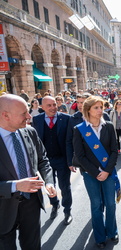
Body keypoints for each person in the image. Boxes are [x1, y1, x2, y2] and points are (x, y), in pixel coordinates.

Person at [0, 94, 56, 249]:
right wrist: (16, 186)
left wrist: (49, 181)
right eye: (24, 113)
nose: (29, 116)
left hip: (31, 203)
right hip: (3, 210)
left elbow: (43, 160)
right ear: (6, 115)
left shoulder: (30, 132)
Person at [73, 96, 120, 248]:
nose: (101, 110)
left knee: (111, 204)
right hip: (90, 174)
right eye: (96, 108)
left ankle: (112, 231)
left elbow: (114, 150)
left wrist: (106, 171)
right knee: (96, 205)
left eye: (101, 107)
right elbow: (80, 156)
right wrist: (95, 172)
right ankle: (100, 237)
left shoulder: (109, 126)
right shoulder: (79, 130)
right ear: (88, 110)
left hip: (107, 172)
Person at [32, 96, 73, 224]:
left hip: (62, 159)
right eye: (49, 105)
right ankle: (55, 205)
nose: (53, 108)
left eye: (54, 104)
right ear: (42, 107)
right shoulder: (37, 120)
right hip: (45, 161)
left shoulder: (66, 119)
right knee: (50, 186)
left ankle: (67, 210)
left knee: (65, 186)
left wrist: (71, 161)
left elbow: (70, 141)